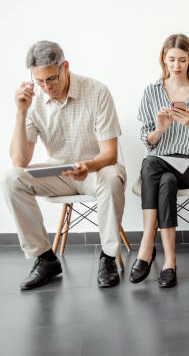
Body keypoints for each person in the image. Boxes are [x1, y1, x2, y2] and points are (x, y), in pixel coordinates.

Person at [1, 41, 125, 290]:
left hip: (95, 171)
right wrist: (21, 112)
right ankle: (45, 259)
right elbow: (19, 161)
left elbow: (110, 155)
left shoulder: (97, 91)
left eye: (52, 79)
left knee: (112, 177)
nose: (47, 88)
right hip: (58, 174)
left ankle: (108, 258)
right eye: (40, 82)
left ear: (65, 67)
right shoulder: (34, 102)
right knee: (11, 178)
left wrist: (87, 167)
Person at [130, 34, 189, 288]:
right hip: (163, 165)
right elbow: (148, 141)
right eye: (171, 60)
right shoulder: (152, 91)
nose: (176, 65)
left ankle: (146, 246)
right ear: (163, 60)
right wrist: (160, 128)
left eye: (182, 60)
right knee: (165, 180)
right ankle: (170, 261)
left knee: (150, 164)